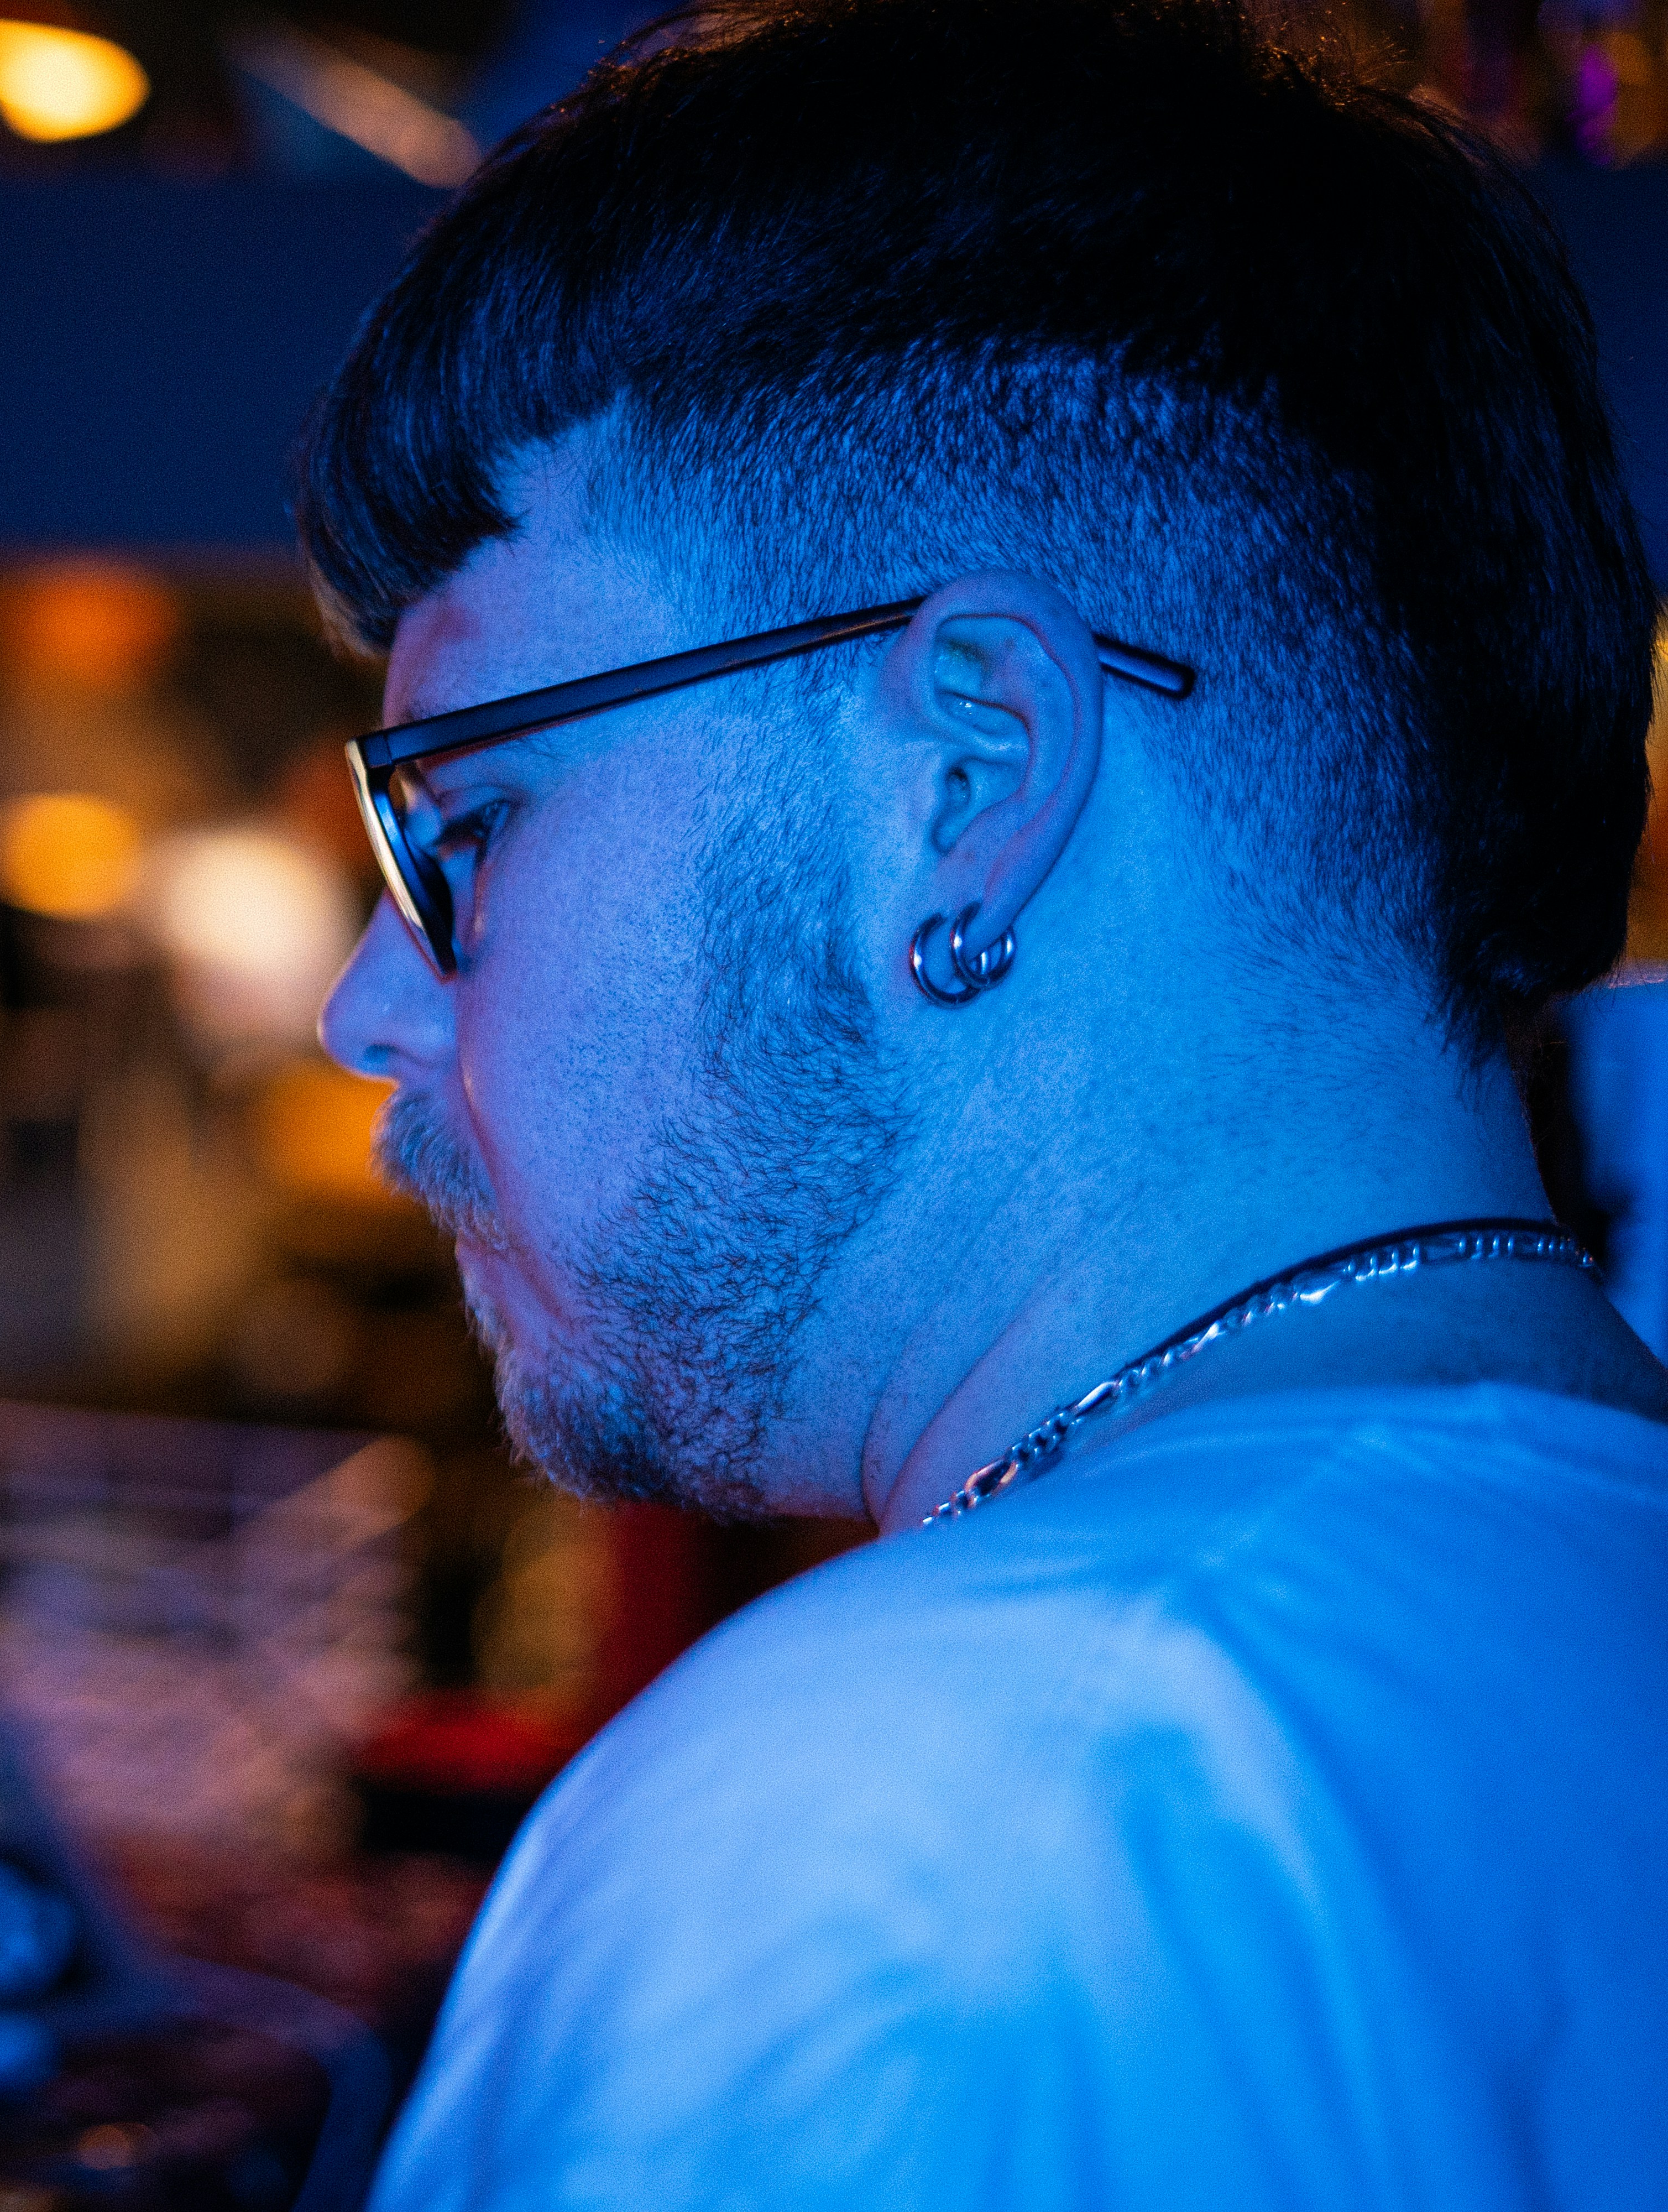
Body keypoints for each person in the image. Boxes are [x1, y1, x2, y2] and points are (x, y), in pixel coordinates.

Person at [302, 0, 1668, 2202]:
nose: (370, 1010)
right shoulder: (1584, 1592)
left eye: (467, 827)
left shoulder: (933, 1817)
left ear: (965, 779)